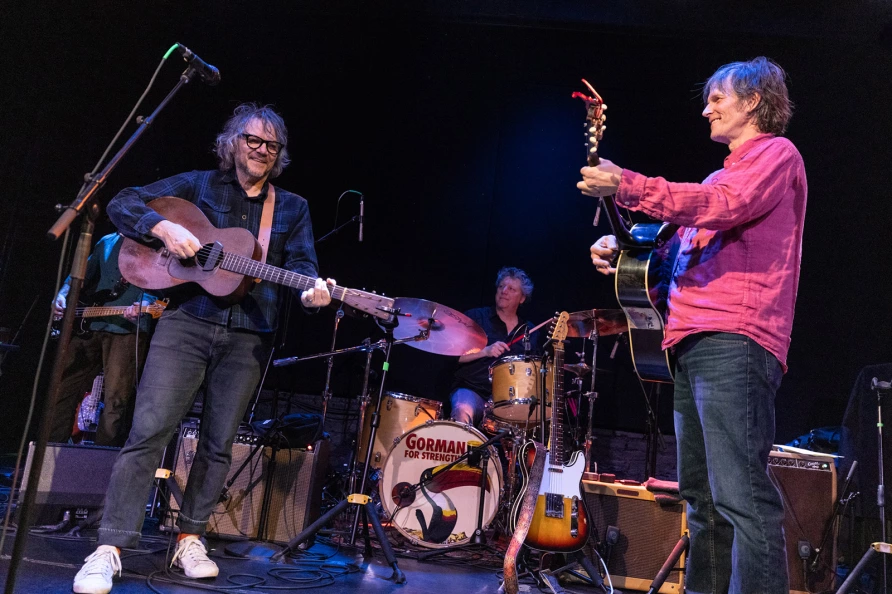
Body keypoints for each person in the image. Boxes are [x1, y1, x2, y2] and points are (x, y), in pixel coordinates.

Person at [73, 103, 333, 594]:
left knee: (218, 444)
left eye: (271, 145)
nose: (260, 151)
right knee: (148, 431)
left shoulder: (292, 207)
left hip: (248, 336)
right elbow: (123, 201)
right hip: (185, 324)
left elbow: (302, 267)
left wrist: (313, 294)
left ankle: (190, 538)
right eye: (252, 140)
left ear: (279, 154)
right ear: (233, 142)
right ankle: (110, 546)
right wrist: (162, 227)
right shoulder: (198, 185)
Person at [581, 57, 806, 594]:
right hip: (693, 342)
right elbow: (681, 265)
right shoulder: (717, 176)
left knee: (742, 497)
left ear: (752, 101)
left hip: (736, 340)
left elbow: (725, 206)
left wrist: (628, 185)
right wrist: (627, 257)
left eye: (718, 98)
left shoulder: (776, 155)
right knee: (702, 500)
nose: (707, 108)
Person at [50, 232, 155, 447]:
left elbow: (165, 286)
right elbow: (78, 276)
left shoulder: (157, 245)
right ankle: (51, 454)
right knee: (62, 387)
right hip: (91, 324)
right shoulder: (106, 241)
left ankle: (100, 460)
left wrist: (147, 302)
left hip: (127, 329)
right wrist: (62, 294)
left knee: (115, 401)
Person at [449, 266, 538, 428]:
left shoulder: (529, 331)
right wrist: (485, 351)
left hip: (508, 400)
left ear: (522, 298)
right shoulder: (475, 318)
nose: (504, 291)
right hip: (472, 390)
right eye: (501, 286)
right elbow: (456, 356)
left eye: (511, 289)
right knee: (462, 410)